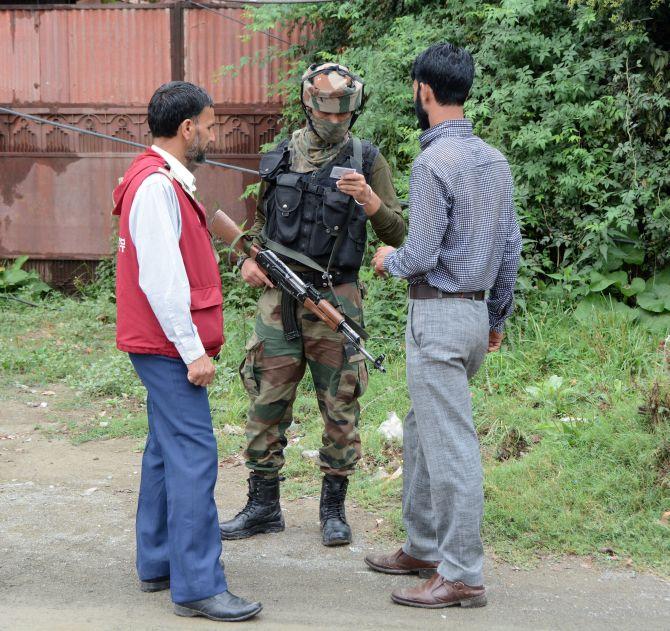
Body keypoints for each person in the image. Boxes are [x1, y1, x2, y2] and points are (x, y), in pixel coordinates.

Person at [219, 63, 405, 547]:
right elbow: (256, 227)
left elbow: (399, 233)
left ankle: (333, 510)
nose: (334, 120)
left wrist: (368, 200)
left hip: (336, 298)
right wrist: (246, 260)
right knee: (265, 400)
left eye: (343, 113)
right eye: (325, 110)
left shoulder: (367, 159)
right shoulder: (280, 156)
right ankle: (263, 506)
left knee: (340, 405)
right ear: (307, 104)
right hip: (277, 299)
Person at [367, 43, 522, 608]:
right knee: (420, 427)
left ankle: (461, 574)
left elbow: (423, 250)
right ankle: (423, 544)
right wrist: (496, 317)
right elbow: (510, 249)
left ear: (423, 92)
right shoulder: (493, 159)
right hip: (473, 316)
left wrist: (390, 261)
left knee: (451, 444)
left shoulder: (434, 161)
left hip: (436, 314)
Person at [112, 81, 262, 622]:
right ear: (187, 128)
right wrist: (193, 351)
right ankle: (199, 584)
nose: (213, 133)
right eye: (211, 124)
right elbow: (162, 280)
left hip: (157, 343)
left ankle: (156, 562)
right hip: (167, 345)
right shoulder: (156, 187)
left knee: (163, 449)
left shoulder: (159, 180)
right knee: (195, 455)